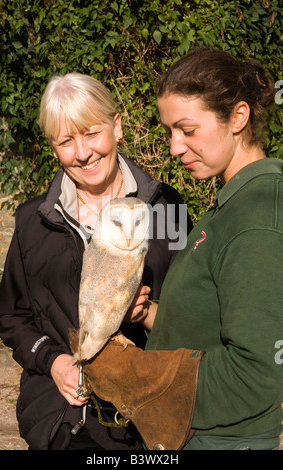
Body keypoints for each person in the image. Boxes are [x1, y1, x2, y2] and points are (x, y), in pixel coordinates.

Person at [81, 48, 283, 450]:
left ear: (238, 118)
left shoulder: (256, 218)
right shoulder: (230, 203)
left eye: (187, 130)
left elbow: (259, 372)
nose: (174, 147)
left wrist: (146, 381)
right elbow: (215, 324)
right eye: (170, 131)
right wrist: (154, 315)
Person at [0, 73, 192, 450]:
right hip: (64, 421)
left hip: (149, 422)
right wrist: (52, 362)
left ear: (117, 127)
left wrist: (147, 310)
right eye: (66, 141)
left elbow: (195, 313)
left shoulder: (167, 210)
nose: (82, 153)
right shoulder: (35, 222)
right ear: (53, 147)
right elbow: (11, 316)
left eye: (92, 133)